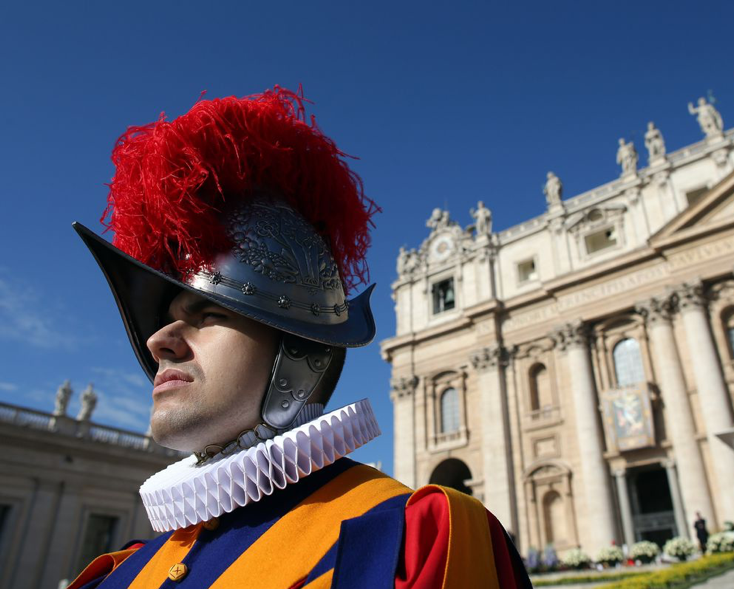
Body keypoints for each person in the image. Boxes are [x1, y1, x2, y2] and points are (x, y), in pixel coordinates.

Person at [68, 88, 530, 588]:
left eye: (208, 313)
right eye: (165, 319)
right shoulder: (115, 574)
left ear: (298, 352)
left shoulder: (413, 545)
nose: (160, 340)